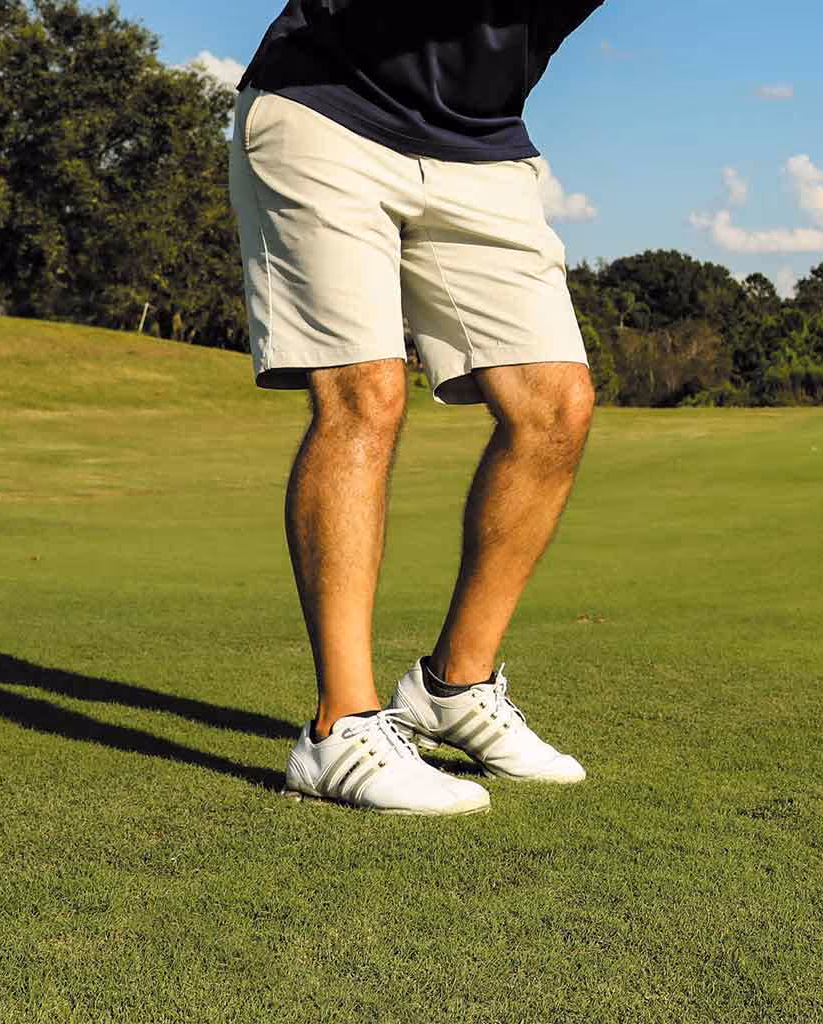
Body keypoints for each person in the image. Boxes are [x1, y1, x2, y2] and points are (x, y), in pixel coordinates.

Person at [228, 1, 607, 815]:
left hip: (479, 144)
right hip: (328, 106)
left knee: (555, 405)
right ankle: (341, 729)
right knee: (364, 393)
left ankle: (454, 689)